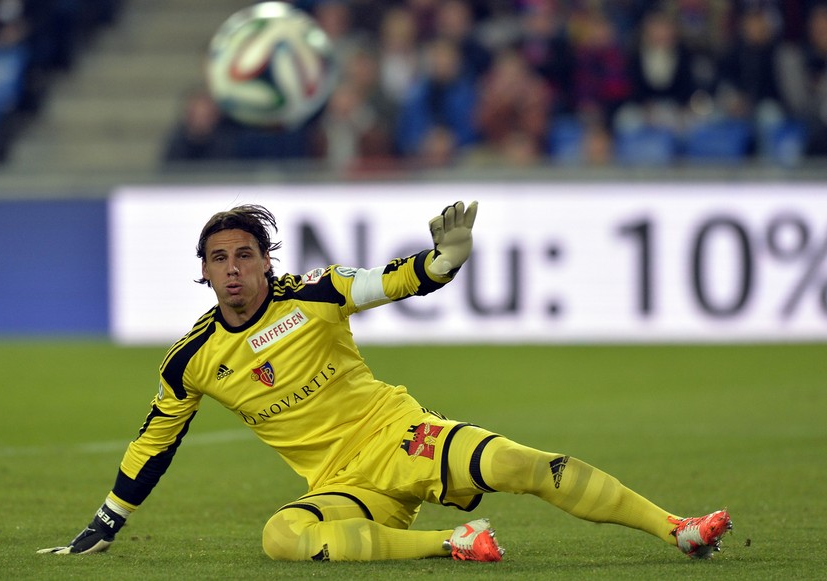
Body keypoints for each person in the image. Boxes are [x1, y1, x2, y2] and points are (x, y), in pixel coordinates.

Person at [38, 201, 732, 562]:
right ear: (203, 271)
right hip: (343, 484)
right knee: (281, 537)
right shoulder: (189, 358)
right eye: (217, 258)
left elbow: (387, 282)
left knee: (521, 464)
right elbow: (153, 442)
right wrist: (106, 523)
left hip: (400, 435)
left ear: (263, 261)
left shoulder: (312, 292)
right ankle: (453, 544)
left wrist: (443, 261)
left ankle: (678, 528)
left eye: (243, 254)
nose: (231, 268)